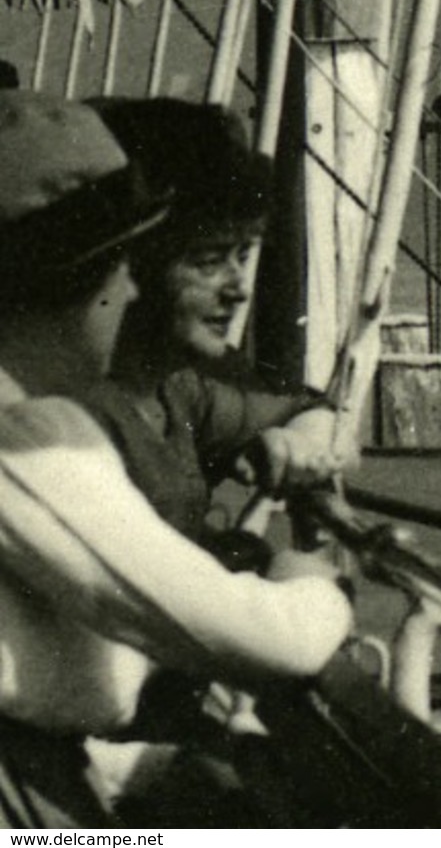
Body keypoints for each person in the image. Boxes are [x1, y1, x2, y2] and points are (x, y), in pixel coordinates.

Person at [0, 91, 353, 827]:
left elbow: (40, 664)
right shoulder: (25, 439)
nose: (132, 291)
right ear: (64, 282)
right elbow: (270, 639)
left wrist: (140, 768)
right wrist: (317, 587)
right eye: (119, 267)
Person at [80, 97, 353, 546]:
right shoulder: (79, 418)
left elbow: (310, 408)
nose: (239, 288)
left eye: (241, 256)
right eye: (208, 262)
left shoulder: (177, 392)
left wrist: (300, 439)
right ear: (129, 267)